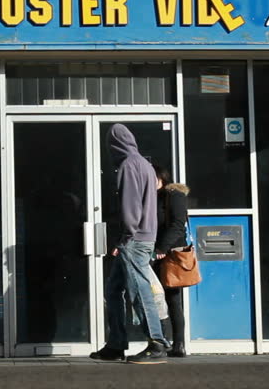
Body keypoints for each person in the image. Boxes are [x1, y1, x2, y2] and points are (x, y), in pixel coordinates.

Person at [90, 124, 169, 364]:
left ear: (114, 145)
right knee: (114, 290)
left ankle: (156, 343)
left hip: (134, 239)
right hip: (143, 237)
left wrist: (125, 237)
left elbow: (130, 207)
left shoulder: (128, 166)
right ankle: (116, 344)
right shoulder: (145, 165)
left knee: (139, 291)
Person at [152, 164, 189, 357]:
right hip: (156, 252)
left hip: (170, 253)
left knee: (172, 299)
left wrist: (162, 248)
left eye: (152, 177)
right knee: (156, 297)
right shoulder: (153, 196)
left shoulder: (174, 195)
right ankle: (163, 341)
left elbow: (178, 225)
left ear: (162, 177)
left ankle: (178, 344)